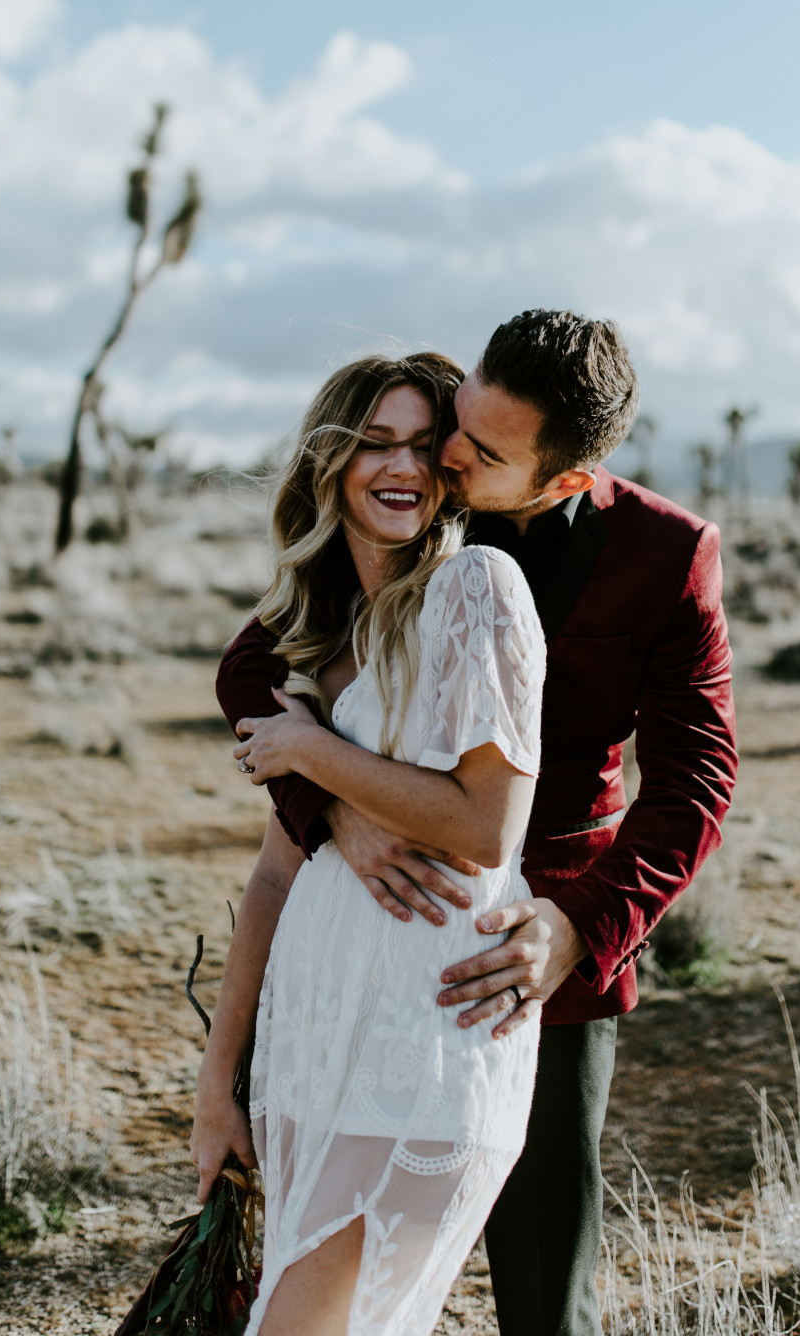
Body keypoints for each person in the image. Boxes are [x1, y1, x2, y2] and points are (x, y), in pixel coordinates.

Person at [218, 309, 739, 1336]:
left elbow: (696, 778)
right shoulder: (420, 505)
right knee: (325, 1246)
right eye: (458, 419)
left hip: (530, 949)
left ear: (560, 478)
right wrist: (334, 807)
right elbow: (254, 660)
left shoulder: (664, 554)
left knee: (546, 1284)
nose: (447, 454)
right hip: (372, 923)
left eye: (482, 449)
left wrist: (579, 926)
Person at [191, 351, 549, 1336]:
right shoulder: (316, 636)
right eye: (372, 443)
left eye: (419, 446)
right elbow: (272, 874)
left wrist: (310, 750)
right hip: (312, 1048)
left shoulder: (475, 586)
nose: (400, 466)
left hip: (423, 1044)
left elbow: (485, 828)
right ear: (327, 463)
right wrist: (217, 1084)